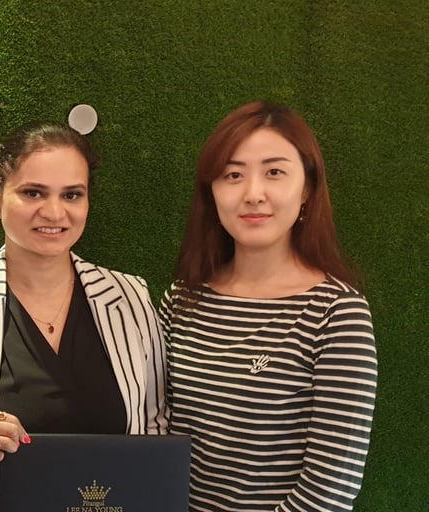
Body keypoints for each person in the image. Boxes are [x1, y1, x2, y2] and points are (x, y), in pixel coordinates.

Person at [0, 121, 169, 512]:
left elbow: (154, 434)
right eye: (33, 192)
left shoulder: (129, 298)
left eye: (72, 194)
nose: (54, 211)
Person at [159, 101, 378, 512]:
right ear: (212, 191)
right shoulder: (182, 300)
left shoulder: (337, 313)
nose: (253, 194)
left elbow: (329, 490)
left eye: (274, 172)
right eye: (233, 175)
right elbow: (153, 432)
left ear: (307, 188)